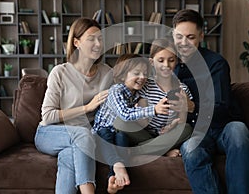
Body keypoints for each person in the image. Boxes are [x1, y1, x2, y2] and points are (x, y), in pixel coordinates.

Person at [172, 9, 249, 193]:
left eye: (190, 37)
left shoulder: (216, 63)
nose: (183, 43)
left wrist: (192, 106)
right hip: (196, 133)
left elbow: (222, 107)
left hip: (223, 126)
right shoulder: (170, 66)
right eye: (179, 37)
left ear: (201, 36)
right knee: (191, 148)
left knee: (239, 131)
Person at [34, 17, 114, 194]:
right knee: (82, 135)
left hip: (83, 138)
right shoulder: (60, 72)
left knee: (69, 156)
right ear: (76, 42)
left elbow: (113, 108)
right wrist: (87, 107)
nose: (97, 43)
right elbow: (48, 116)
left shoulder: (106, 72)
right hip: (50, 133)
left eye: (100, 39)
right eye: (91, 38)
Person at [92, 53, 170, 193]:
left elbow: (140, 122)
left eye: (145, 73)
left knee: (122, 137)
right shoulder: (116, 90)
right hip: (102, 133)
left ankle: (114, 181)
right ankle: (118, 166)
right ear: (122, 75)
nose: (142, 77)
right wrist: (154, 109)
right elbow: (125, 115)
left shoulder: (136, 95)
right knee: (106, 134)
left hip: (120, 133)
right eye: (136, 73)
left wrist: (160, 131)